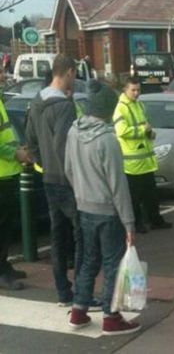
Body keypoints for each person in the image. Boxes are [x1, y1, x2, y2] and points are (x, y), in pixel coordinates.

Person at [66, 80, 140, 335]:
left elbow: (68, 170)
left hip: (84, 206)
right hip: (108, 212)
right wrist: (129, 223)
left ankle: (78, 310)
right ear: (108, 109)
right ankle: (111, 316)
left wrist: (81, 193)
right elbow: (119, 187)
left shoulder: (74, 131)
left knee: (88, 260)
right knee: (112, 264)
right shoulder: (108, 140)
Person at [25, 54, 99, 308]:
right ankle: (82, 293)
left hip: (48, 179)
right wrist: (74, 175)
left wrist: (45, 165)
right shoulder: (65, 106)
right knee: (82, 236)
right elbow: (64, 146)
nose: (75, 79)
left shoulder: (37, 101)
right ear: (67, 72)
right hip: (67, 181)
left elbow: (31, 141)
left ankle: (63, 291)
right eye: (75, 73)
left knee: (58, 236)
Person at [113, 77, 172, 233]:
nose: (137, 93)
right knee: (135, 198)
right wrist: (143, 131)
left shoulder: (138, 105)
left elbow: (145, 125)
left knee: (151, 195)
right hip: (132, 164)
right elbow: (121, 131)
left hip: (145, 160)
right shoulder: (121, 108)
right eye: (133, 90)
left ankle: (155, 221)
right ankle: (138, 224)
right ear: (125, 90)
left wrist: (150, 133)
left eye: (138, 89)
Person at [0, 97, 30, 290]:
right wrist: (15, 154)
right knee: (2, 227)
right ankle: (2, 272)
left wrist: (17, 149)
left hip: (6, 173)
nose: (3, 73)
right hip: (1, 174)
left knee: (6, 226)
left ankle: (4, 265)